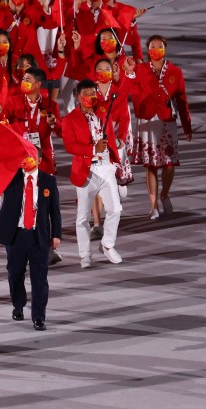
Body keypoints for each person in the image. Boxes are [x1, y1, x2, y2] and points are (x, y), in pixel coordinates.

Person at [0, 149, 62, 331]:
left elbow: (55, 211)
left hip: (39, 236)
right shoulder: (11, 178)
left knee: (39, 278)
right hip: (16, 235)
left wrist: (56, 234)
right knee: (15, 274)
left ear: (39, 159)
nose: (28, 160)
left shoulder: (48, 181)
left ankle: (38, 317)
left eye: (31, 157)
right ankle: (18, 306)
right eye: (24, 157)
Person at [62, 80, 123, 268]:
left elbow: (120, 95)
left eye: (93, 93)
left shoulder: (103, 111)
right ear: (78, 97)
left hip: (106, 168)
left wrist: (117, 144)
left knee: (115, 209)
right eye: (86, 93)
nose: (91, 97)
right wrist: (91, 148)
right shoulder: (69, 119)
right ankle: (85, 256)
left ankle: (107, 244)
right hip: (86, 170)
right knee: (82, 218)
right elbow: (70, 146)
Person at [130, 35, 193, 219]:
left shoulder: (175, 72)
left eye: (159, 46)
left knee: (169, 164)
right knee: (151, 165)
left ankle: (165, 194)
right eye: (152, 46)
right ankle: (153, 205)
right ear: (147, 49)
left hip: (167, 121)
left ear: (165, 49)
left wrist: (187, 125)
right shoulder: (140, 69)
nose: (156, 49)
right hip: (147, 120)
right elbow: (132, 91)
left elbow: (182, 101)